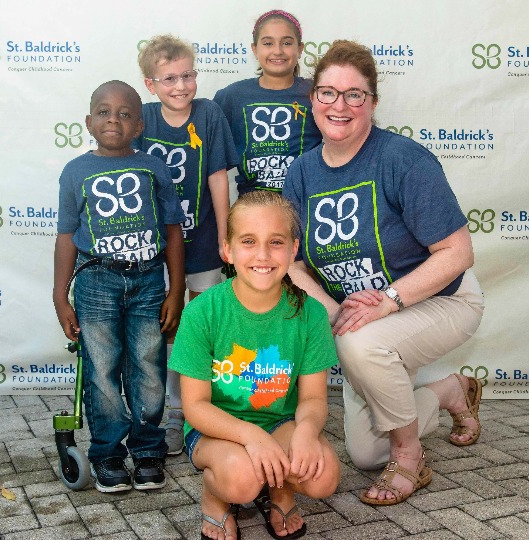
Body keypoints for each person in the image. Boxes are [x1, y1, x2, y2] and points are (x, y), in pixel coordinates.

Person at [282, 41, 485, 506]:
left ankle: (411, 459)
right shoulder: (302, 173)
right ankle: (452, 390)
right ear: (312, 99)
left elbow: (457, 252)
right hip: (364, 321)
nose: (340, 105)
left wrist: (388, 301)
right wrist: (336, 311)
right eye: (328, 92)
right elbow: (291, 262)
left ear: (372, 102)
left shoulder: (402, 159)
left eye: (355, 94)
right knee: (366, 453)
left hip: (441, 301)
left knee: (359, 345)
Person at [169, 191, 340, 539]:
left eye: (275, 242)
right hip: (216, 429)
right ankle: (215, 500)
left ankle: (279, 490)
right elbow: (196, 406)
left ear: (293, 249)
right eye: (248, 241)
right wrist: (251, 436)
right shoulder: (203, 312)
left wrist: (306, 432)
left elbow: (312, 399)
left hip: (280, 421)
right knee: (243, 480)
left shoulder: (311, 313)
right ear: (227, 249)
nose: (262, 255)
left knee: (323, 478)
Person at [53, 80, 186, 493]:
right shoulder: (75, 171)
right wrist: (60, 296)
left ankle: (148, 449)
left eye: (125, 113)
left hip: (148, 278)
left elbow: (172, 229)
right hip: (96, 279)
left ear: (139, 125)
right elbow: (65, 236)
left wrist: (176, 288)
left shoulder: (154, 167)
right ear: (89, 122)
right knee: (102, 367)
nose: (115, 119)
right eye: (105, 112)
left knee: (148, 364)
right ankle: (108, 451)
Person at [136, 35, 238, 456]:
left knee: (198, 321)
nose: (180, 86)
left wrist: (227, 233)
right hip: (150, 244)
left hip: (200, 240)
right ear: (150, 84)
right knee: (162, 323)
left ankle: (192, 408)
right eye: (169, 78)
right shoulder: (139, 118)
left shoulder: (209, 113)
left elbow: (217, 176)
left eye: (188, 75)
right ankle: (162, 411)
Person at [213, 9, 321, 195]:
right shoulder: (232, 96)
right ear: (255, 49)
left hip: (304, 205)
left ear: (300, 49)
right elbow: (211, 159)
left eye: (287, 43)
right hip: (251, 209)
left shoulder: (317, 93)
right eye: (268, 43)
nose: (277, 51)